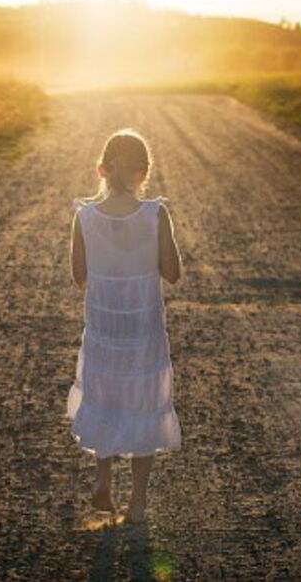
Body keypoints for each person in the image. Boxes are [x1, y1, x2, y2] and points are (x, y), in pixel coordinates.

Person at [67, 127, 182, 523]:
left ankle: (102, 480)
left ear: (102, 170)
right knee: (142, 403)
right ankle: (136, 504)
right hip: (143, 326)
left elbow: (78, 274)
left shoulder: (85, 216)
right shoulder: (155, 214)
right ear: (144, 172)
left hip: (105, 324)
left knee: (106, 397)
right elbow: (173, 272)